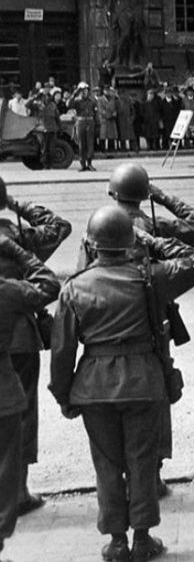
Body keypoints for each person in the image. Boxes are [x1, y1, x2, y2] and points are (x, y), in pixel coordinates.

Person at [50, 206, 194, 562]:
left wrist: (63, 394)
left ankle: (117, 541)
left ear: (90, 243)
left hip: (94, 386)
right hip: (143, 381)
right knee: (141, 460)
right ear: (130, 240)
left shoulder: (75, 288)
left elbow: (62, 351)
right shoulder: (150, 277)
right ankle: (142, 538)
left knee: (106, 464)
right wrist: (151, 239)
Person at [86, 162, 194, 496]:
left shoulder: (98, 227)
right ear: (144, 193)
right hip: (152, 321)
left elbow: (83, 276)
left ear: (113, 192)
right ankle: (151, 476)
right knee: (154, 398)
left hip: (108, 325)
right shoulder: (155, 226)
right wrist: (163, 197)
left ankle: (121, 481)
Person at [0, 179, 72, 519]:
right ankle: (19, 491)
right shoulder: (19, 238)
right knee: (22, 410)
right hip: (18, 336)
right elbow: (59, 226)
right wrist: (18, 206)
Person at [0, 233, 60, 561]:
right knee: (12, 446)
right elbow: (49, 285)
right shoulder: (7, 290)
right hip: (9, 371)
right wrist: (16, 249)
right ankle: (18, 495)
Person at [68, 83, 100, 171]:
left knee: (90, 144)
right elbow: (68, 104)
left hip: (90, 121)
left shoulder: (92, 101)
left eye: (86, 90)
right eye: (83, 90)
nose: (85, 92)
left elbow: (96, 112)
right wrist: (75, 93)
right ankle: (83, 164)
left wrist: (98, 124)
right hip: (81, 121)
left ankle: (89, 163)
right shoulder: (77, 101)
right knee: (81, 144)